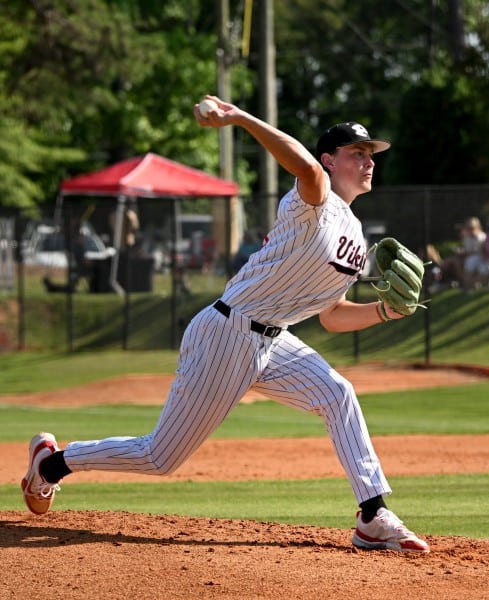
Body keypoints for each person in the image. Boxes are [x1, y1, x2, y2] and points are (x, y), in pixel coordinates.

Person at [21, 96, 430, 554]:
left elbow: (332, 315)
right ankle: (52, 464)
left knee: (338, 394)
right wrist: (238, 117)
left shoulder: (355, 233)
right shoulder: (313, 201)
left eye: (371, 154)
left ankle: (373, 515)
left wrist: (384, 311)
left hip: (274, 341)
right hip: (227, 333)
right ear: (329, 160)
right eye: (357, 153)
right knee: (159, 457)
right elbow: (305, 168)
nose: (369, 161)